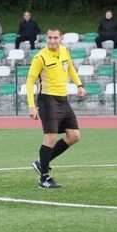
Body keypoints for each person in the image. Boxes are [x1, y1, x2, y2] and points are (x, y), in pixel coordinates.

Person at [26, 28, 86, 189]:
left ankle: (41, 163)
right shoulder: (40, 57)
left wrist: (79, 85)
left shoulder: (65, 51)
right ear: (46, 38)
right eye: (50, 38)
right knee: (51, 136)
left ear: (61, 38)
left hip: (63, 99)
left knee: (74, 136)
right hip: (47, 100)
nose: (52, 41)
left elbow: (70, 68)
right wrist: (31, 106)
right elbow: (30, 82)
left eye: (55, 37)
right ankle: (44, 178)